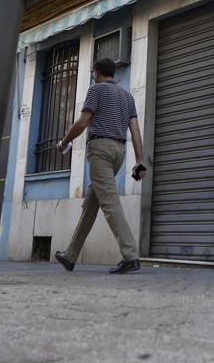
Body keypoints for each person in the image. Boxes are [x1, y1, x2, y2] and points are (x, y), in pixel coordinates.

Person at [53, 57, 148, 274]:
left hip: (100, 150)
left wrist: (64, 142)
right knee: (91, 204)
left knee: (109, 202)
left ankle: (131, 256)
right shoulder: (128, 96)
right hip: (119, 153)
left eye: (93, 72)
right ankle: (70, 256)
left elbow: (82, 122)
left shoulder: (96, 90)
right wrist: (140, 161)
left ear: (97, 72)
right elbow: (135, 131)